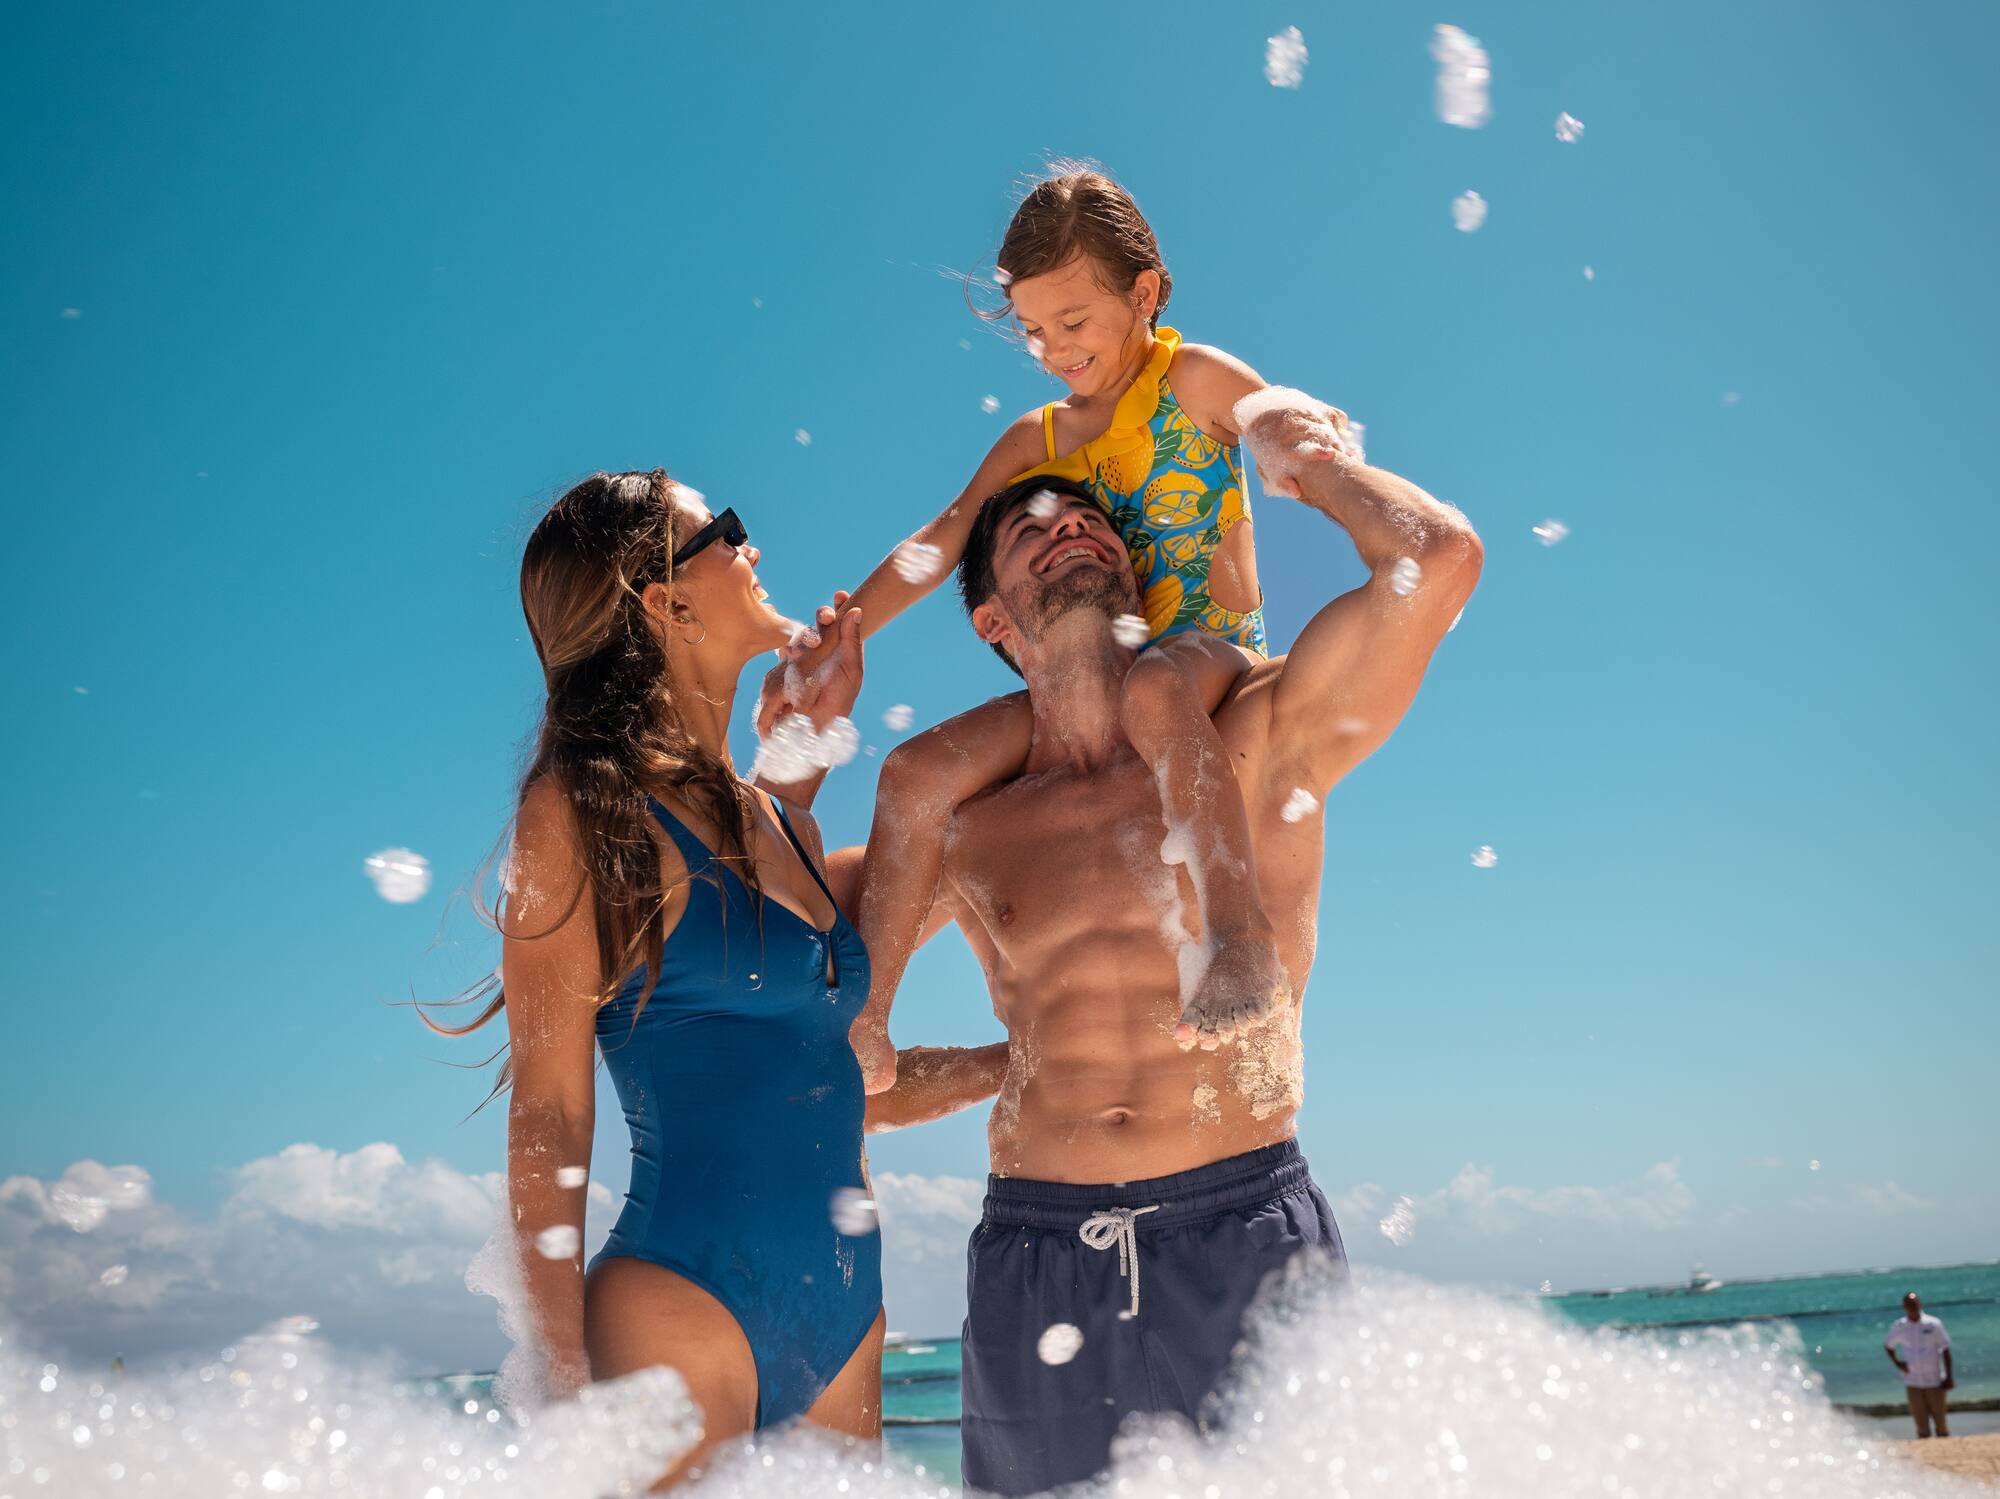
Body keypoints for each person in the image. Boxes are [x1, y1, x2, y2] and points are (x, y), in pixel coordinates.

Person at [858, 396, 1482, 1494]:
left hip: (1239, 1229)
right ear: (993, 622)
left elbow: (1433, 561)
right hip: (1036, 1251)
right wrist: (1000, 1070)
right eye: (1028, 529)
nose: (1068, 527)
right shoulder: (966, 829)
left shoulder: (1255, 738)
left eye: (1088, 518)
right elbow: (806, 1051)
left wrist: (1305, 461)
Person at [428, 470, 1004, 1487]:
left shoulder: (782, 815)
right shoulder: (578, 813)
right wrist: (562, 1386)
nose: (753, 548)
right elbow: (550, 1116)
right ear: (663, 599)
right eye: (724, 533)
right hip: (678, 1301)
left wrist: (1030, 1058)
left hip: (842, 1312)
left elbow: (811, 1068)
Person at [764, 164, 1364, 1087]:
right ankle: (869, 1016)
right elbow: (945, 535)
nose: (1052, 349)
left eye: (1072, 323)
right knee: (917, 770)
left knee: (1159, 687)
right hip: (1092, 682)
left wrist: (1303, 436)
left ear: (1145, 295)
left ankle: (1237, 937)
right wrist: (847, 631)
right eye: (1035, 330)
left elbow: (1267, 412)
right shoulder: (1039, 439)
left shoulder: (1189, 378)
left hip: (1206, 657)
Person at [1886, 1291, 1955, 1438]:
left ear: (1920, 1304)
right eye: (1909, 1304)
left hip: (1934, 1380)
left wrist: (1949, 1376)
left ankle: (1944, 1448)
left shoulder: (1933, 1324)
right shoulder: (1900, 1326)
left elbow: (1945, 1349)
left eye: (1914, 1304)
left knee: (1941, 1423)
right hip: (1913, 1381)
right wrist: (1898, 1363)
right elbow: (1888, 1345)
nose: (1912, 1307)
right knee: (1921, 1425)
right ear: (1904, 1307)